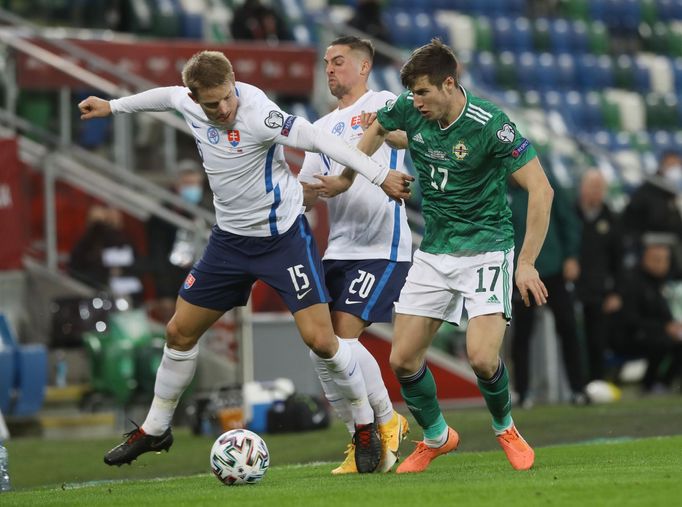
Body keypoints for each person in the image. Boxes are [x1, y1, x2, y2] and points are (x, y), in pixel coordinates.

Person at [78, 50, 413, 473]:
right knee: (179, 333)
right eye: (210, 103)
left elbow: (319, 138)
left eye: (225, 99)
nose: (221, 110)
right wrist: (112, 106)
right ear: (195, 97)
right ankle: (156, 428)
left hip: (283, 241)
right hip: (230, 244)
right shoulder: (189, 102)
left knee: (324, 342)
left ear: (234, 82)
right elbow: (163, 96)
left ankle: (365, 426)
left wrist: (378, 174)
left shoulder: (260, 114)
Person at [312, 39, 554, 473]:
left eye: (423, 93)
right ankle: (438, 436)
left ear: (449, 83)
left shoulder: (491, 125)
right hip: (436, 250)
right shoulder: (411, 106)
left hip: (486, 247)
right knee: (402, 360)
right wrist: (350, 177)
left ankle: (505, 428)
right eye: (412, 93)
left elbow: (541, 189)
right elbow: (379, 128)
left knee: (481, 357)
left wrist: (526, 262)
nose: (415, 101)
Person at [298, 36, 411, 474]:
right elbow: (310, 188)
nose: (329, 69)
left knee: (342, 339)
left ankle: (385, 422)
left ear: (364, 67)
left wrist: (385, 129)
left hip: (382, 245)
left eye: (339, 61)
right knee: (323, 347)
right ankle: (365, 436)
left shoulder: (384, 102)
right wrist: (297, 192)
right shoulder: (321, 127)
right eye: (326, 62)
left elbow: (419, 136)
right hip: (338, 249)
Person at [508, 171, 588, 407]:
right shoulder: (500, 186)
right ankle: (522, 392)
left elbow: (569, 220)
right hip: (519, 274)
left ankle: (578, 388)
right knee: (521, 334)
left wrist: (571, 255)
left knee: (569, 328)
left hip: (552, 268)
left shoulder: (545, 181)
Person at [611, 238, 682, 392]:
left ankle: (665, 383)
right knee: (663, 342)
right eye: (656, 259)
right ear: (644, 258)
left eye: (664, 260)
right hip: (630, 336)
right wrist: (664, 327)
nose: (661, 264)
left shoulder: (665, 282)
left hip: (658, 332)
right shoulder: (632, 282)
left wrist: (673, 326)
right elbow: (630, 320)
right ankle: (649, 383)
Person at [575, 169, 623, 382]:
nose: (596, 192)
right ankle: (575, 384)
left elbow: (619, 260)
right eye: (592, 187)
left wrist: (616, 292)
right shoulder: (570, 214)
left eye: (600, 188)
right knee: (573, 338)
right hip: (572, 286)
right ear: (582, 188)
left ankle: (597, 382)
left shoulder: (611, 218)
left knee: (597, 339)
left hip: (599, 290)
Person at [146, 163, 206, 324]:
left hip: (201, 283)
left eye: (196, 184)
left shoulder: (205, 211)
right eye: (187, 184)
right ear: (176, 186)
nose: (193, 189)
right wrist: (164, 293)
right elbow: (157, 255)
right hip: (173, 285)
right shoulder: (162, 216)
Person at [622, 150, 682, 277]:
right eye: (671, 165)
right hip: (648, 251)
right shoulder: (647, 191)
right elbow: (632, 222)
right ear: (662, 166)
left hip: (674, 253)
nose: (675, 170)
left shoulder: (675, 192)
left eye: (678, 165)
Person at [68, 204, 143, 305]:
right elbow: (77, 267)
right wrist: (107, 273)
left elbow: (138, 264)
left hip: (128, 293)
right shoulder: (88, 245)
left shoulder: (126, 241)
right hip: (99, 293)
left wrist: (121, 270)